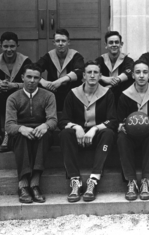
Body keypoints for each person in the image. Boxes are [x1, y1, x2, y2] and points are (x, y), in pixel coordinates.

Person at [58, 60, 117, 203]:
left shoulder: (107, 93)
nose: (92, 75)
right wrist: (77, 127)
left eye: (95, 72)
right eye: (89, 72)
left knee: (109, 133)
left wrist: (95, 129)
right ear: (83, 76)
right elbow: (63, 121)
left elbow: (113, 121)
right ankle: (75, 180)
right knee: (65, 134)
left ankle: (94, 179)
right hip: (78, 136)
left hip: (96, 136)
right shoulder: (72, 94)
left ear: (100, 75)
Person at [5, 64, 57, 203]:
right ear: (22, 77)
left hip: (41, 132)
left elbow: (53, 119)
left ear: (40, 79)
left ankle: (35, 183)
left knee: (45, 135)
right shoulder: (13, 98)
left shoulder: (48, 96)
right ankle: (23, 184)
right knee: (21, 137)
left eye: (36, 77)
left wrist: (45, 125)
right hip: (20, 135)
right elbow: (9, 125)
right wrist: (21, 128)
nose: (32, 80)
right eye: (29, 76)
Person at [117, 60, 149, 201]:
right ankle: (131, 181)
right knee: (121, 137)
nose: (141, 76)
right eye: (138, 72)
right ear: (132, 75)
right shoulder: (125, 95)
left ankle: (146, 180)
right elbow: (119, 119)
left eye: (145, 72)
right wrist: (121, 126)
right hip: (130, 136)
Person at [0, 31, 32, 153]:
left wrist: (13, 85)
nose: (9, 50)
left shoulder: (25, 61)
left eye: (12, 46)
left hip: (18, 98)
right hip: (0, 97)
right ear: (1, 46)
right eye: (5, 46)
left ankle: (8, 133)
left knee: (13, 95)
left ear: (17, 46)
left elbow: (31, 82)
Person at [36, 28, 84, 111]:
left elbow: (80, 71)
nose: (60, 44)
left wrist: (60, 81)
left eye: (63, 41)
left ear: (68, 42)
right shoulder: (49, 56)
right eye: (58, 41)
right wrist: (43, 81)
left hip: (72, 93)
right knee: (36, 83)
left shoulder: (76, 55)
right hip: (53, 91)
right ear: (54, 43)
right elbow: (35, 68)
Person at [95, 31, 134, 105]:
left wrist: (117, 80)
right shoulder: (100, 60)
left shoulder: (128, 60)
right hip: (103, 99)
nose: (114, 45)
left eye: (116, 42)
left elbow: (130, 71)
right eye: (111, 42)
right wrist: (103, 78)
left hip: (123, 99)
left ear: (121, 44)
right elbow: (89, 72)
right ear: (105, 45)